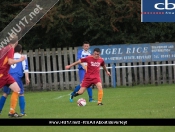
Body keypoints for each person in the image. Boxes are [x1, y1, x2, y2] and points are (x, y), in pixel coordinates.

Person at [0, 44, 30, 116]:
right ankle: (22, 112)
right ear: (20, 51)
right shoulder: (22, 57)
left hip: (7, 75)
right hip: (17, 77)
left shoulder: (10, 56)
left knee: (5, 94)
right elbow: (25, 68)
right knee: (21, 93)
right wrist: (27, 77)